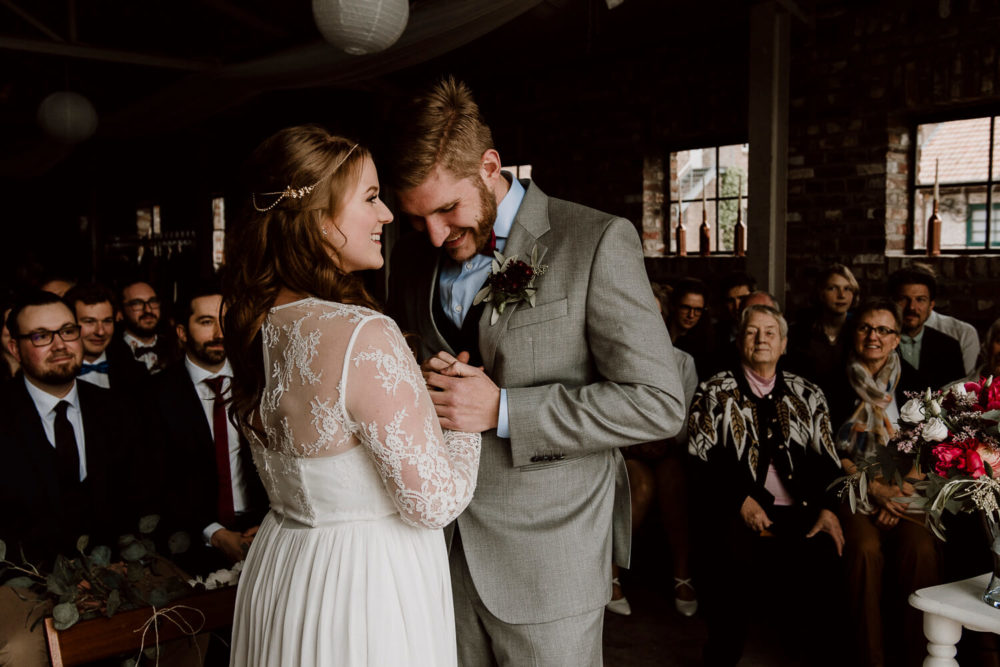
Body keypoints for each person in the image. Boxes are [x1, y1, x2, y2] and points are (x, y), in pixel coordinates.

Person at [386, 77, 685, 666]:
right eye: (418, 219)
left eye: (448, 210)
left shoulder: (594, 240)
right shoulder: (415, 255)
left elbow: (657, 402)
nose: (436, 234)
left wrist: (505, 410)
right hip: (438, 551)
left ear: (490, 165)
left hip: (549, 557)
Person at [223, 125, 481, 666]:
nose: (388, 215)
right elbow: (433, 502)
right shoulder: (364, 334)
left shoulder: (260, 324)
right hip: (365, 588)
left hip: (285, 565)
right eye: (370, 198)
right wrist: (463, 417)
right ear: (318, 221)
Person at [688, 304, 844, 667]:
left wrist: (827, 509)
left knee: (826, 560)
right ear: (738, 339)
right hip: (736, 509)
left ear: (784, 343)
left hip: (803, 510)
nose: (761, 339)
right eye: (752, 331)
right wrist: (740, 499)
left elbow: (829, 461)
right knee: (727, 566)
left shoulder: (808, 394)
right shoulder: (715, 390)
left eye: (770, 332)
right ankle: (723, 655)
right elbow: (699, 459)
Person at [0, 290, 145, 665]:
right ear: (15, 348)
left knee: (184, 620)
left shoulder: (116, 411)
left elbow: (136, 498)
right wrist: (60, 579)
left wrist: (109, 566)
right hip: (21, 576)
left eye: (67, 331)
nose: (60, 345)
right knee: (21, 651)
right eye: (41, 336)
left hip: (112, 564)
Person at [833, 299, 940, 667]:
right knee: (864, 550)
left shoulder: (918, 383)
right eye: (865, 328)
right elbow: (828, 449)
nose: (873, 336)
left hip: (906, 493)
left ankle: (919, 656)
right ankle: (871, 658)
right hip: (855, 490)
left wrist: (900, 491)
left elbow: (931, 446)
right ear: (854, 333)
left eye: (883, 330)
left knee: (921, 551)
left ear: (897, 339)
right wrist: (874, 490)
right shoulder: (831, 380)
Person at [149, 283, 267, 576]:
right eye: (206, 322)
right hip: (188, 547)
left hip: (263, 534)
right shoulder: (153, 394)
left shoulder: (258, 383)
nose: (219, 334)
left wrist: (268, 521)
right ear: (181, 332)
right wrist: (213, 532)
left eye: (225, 322)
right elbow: (156, 481)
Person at [609, 282, 699, 618]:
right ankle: (611, 572)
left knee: (675, 480)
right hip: (626, 450)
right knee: (642, 486)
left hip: (667, 449)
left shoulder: (682, 362)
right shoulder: (614, 357)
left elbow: (685, 416)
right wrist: (634, 441)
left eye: (656, 314)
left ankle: (682, 574)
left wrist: (663, 440)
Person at [787, 264, 860, 416]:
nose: (841, 295)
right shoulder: (800, 332)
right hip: (808, 410)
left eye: (847, 289)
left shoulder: (860, 331)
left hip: (851, 413)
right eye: (833, 288)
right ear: (820, 293)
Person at [888, 267, 964, 401]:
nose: (911, 307)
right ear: (892, 302)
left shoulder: (949, 346)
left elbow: (958, 398)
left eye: (920, 299)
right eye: (904, 299)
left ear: (931, 305)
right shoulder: (879, 343)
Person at [64, 283, 147, 393]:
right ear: (70, 325)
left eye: (107, 321)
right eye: (89, 322)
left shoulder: (136, 372)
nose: (100, 331)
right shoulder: (56, 371)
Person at [107, 280, 178, 375]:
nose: (148, 309)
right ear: (120, 313)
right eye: (137, 303)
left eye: (153, 302)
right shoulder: (110, 352)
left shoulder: (177, 348)